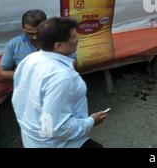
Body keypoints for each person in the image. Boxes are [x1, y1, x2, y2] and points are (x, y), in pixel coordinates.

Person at [12, 18, 107, 148]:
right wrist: (91, 122)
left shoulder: (29, 60)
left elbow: (18, 100)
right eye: (73, 37)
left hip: (33, 141)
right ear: (58, 46)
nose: (77, 39)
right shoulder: (62, 77)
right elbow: (57, 128)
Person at [0, 10, 47, 81]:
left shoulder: (58, 42)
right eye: (30, 33)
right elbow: (2, 73)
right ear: (23, 28)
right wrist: (30, 75)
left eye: (38, 33)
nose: (35, 37)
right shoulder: (14, 44)